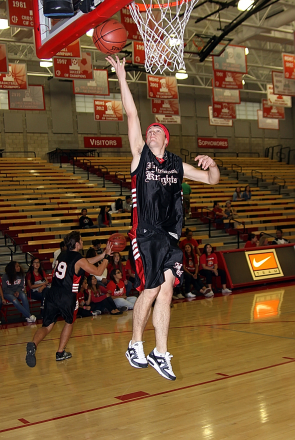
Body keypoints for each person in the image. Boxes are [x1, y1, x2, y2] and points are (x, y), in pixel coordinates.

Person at [107, 55, 220, 381]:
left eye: (156, 130)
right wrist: (122, 78)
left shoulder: (176, 164)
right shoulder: (140, 157)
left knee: (167, 290)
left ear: (165, 138)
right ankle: (135, 344)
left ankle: (160, 352)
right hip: (145, 233)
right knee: (154, 287)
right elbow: (131, 113)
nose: (150, 132)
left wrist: (212, 164)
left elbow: (212, 180)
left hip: (169, 238)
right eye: (148, 131)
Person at [25, 231, 113, 368]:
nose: (83, 242)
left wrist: (101, 255)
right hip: (67, 295)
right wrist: (107, 257)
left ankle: (33, 344)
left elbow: (84, 263)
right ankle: (60, 352)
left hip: (52, 293)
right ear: (77, 244)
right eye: (82, 241)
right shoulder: (78, 258)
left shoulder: (62, 254)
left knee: (47, 326)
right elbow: (98, 272)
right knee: (69, 321)